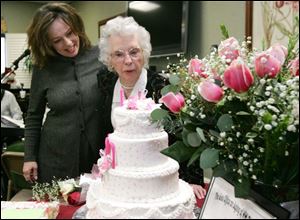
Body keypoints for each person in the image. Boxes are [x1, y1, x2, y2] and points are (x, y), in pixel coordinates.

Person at [97, 16, 206, 200]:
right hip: (121, 181)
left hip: (159, 183)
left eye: (134, 51)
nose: (128, 60)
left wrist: (193, 179)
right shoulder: (106, 83)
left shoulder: (162, 88)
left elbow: (187, 134)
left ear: (144, 53)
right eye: (119, 54)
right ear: (110, 59)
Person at [22, 2, 104, 183]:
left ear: (77, 27)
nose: (68, 43)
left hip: (97, 157)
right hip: (55, 159)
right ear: (47, 44)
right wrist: (29, 157)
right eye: (57, 40)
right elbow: (34, 116)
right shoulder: (42, 68)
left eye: (69, 33)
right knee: (57, 210)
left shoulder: (101, 56)